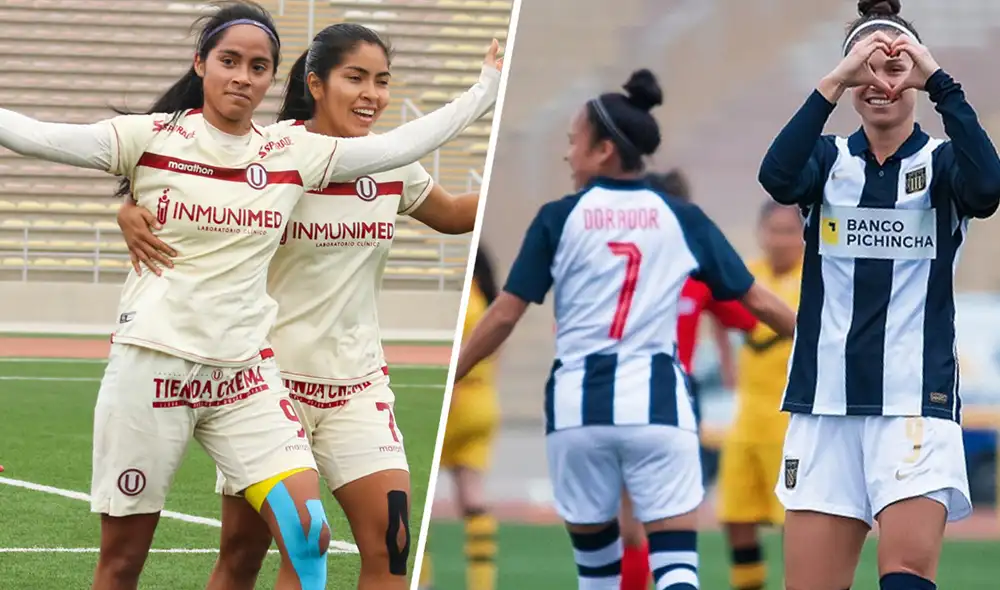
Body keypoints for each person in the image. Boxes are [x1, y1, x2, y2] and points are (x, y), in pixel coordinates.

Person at [0, 4, 500, 589]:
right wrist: (126, 209)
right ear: (201, 64)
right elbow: (37, 137)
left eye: (257, 66)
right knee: (126, 561)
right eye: (229, 61)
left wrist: (488, 88)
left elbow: (411, 144)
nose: (243, 76)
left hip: (248, 377)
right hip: (156, 365)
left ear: (272, 77)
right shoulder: (149, 137)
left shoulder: (293, 155)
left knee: (313, 537)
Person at [453, 69, 798, 590]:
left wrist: (455, 372)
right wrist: (828, 343)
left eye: (574, 142)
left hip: (576, 412)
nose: (568, 154)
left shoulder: (559, 218)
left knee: (597, 575)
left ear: (604, 151)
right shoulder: (681, 217)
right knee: (676, 567)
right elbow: (754, 299)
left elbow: (505, 313)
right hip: (658, 408)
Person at [757, 1, 1000, 588]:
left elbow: (989, 188)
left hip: (915, 401)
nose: (880, 82)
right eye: (866, 67)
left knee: (906, 575)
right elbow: (776, 176)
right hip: (824, 406)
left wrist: (940, 82)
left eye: (896, 66)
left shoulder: (943, 164)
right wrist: (835, 82)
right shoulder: (826, 160)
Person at [617, 169, 760, 590]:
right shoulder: (646, 267)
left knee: (648, 522)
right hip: (648, 392)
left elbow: (744, 317)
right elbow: (747, 317)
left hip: (658, 394)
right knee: (647, 523)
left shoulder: (684, 270)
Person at [716, 201, 803, 590]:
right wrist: (725, 361)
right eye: (774, 230)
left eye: (789, 231)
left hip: (792, 423)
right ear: (760, 233)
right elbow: (715, 306)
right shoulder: (749, 274)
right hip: (747, 417)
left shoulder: (817, 274)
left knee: (795, 519)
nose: (780, 240)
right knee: (735, 514)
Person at [418, 243, 502, 590]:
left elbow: (456, 353)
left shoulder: (464, 298)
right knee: (473, 499)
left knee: (422, 500)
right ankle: (481, 584)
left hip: (459, 399)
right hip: (484, 401)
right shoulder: (486, 298)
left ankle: (422, 581)